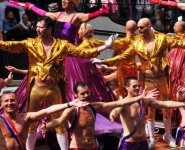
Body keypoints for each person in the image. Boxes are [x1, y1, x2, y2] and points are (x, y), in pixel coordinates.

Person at [91, 18, 185, 148]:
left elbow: (181, 44)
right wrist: (106, 61)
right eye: (138, 27)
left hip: (162, 78)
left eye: (142, 27)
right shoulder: (137, 43)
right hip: (148, 79)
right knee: (149, 109)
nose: (139, 30)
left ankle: (167, 134)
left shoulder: (162, 38)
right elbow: (124, 56)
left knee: (166, 107)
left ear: (150, 26)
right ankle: (151, 138)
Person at [0, 16, 117, 150]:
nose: (37, 29)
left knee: (60, 123)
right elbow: (10, 46)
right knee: (32, 123)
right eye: (37, 27)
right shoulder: (30, 43)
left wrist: (105, 46)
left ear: (49, 29)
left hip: (54, 88)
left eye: (41, 27)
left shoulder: (62, 45)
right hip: (35, 89)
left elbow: (82, 52)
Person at [108, 76, 185, 149]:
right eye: (134, 86)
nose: (137, 88)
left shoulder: (145, 101)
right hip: (128, 144)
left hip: (143, 143)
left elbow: (165, 104)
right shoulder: (123, 102)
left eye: (138, 86)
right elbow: (115, 110)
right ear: (126, 87)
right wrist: (112, 115)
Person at [0, 91, 88, 150]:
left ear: (17, 102)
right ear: (1, 103)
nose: (9, 103)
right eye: (6, 101)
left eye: (12, 100)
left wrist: (70, 104)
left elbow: (47, 110)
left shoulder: (26, 118)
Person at [76, 20, 139, 98]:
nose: (78, 32)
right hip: (133, 68)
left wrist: (104, 60)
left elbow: (114, 50)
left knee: (121, 92)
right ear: (136, 29)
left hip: (91, 70)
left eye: (79, 30)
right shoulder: (138, 39)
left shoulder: (85, 44)